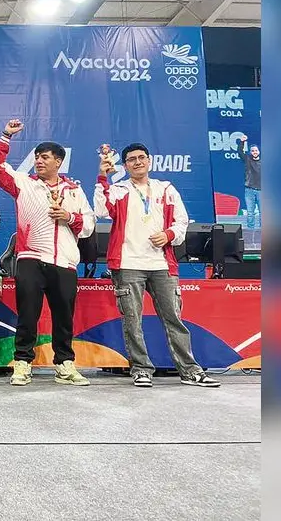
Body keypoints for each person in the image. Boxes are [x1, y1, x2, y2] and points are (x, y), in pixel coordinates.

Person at [93, 143, 221, 388]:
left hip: (162, 264)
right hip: (128, 263)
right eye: (131, 159)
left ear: (149, 161)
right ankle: (141, 369)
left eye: (141, 157)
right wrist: (102, 177)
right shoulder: (119, 190)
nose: (137, 162)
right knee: (132, 321)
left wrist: (168, 235)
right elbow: (100, 210)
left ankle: (190, 371)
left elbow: (182, 221)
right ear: (125, 165)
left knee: (174, 319)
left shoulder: (166, 189)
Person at [0, 119, 95, 387]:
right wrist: (5, 136)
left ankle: (64, 364)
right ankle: (22, 363)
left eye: (45, 157)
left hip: (64, 261)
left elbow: (89, 226)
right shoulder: (24, 184)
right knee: (28, 314)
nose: (38, 161)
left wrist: (69, 217)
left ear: (59, 161)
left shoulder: (74, 190)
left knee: (64, 317)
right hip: (31, 258)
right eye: (36, 157)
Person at [237, 135, 261, 230]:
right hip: (249, 190)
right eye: (253, 151)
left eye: (256, 150)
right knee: (250, 212)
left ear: (259, 151)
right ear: (250, 152)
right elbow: (240, 152)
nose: (255, 152)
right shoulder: (247, 159)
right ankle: (251, 231)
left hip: (261, 190)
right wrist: (242, 142)